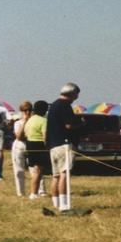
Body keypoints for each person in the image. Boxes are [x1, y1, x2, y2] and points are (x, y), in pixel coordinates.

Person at [46, 83, 83, 213]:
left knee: (55, 175)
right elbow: (69, 125)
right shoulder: (64, 106)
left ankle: (55, 203)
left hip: (53, 145)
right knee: (64, 174)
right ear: (73, 93)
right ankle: (64, 204)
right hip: (64, 144)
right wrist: (80, 123)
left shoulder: (54, 105)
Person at [23, 100, 50, 198]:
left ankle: (35, 192)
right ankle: (33, 193)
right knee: (38, 171)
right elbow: (45, 136)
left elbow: (25, 133)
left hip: (30, 144)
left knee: (34, 170)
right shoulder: (43, 120)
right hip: (39, 145)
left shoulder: (30, 119)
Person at [10, 101, 33, 196]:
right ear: (22, 111)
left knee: (35, 169)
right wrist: (24, 123)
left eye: (29, 110)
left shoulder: (33, 121)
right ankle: (21, 192)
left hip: (31, 145)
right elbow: (19, 136)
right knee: (19, 170)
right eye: (25, 110)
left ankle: (40, 191)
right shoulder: (17, 123)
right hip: (19, 145)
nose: (27, 112)